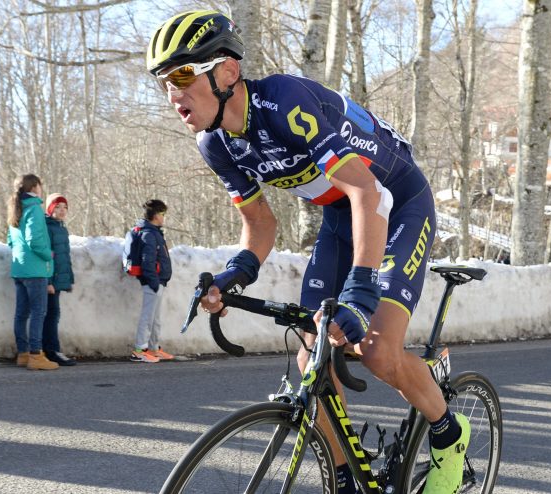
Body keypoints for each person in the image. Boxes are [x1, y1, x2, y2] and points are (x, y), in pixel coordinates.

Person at [146, 11, 467, 493]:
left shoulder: (284, 103)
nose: (174, 94)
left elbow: (369, 194)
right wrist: (234, 276)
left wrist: (360, 290)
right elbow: (259, 223)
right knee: (308, 356)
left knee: (378, 350)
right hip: (343, 216)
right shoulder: (215, 144)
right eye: (165, 82)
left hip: (396, 200)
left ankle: (449, 435)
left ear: (228, 71)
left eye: (184, 76)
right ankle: (345, 477)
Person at [7, 174, 58, 371]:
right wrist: (48, 255)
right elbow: (34, 239)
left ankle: (23, 353)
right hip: (35, 268)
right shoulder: (35, 208)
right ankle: (36, 355)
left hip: (19, 267)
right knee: (39, 312)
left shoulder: (15, 207)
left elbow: (11, 240)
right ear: (35, 187)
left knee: (21, 313)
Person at [131, 199, 174, 363]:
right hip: (152, 282)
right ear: (156, 215)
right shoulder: (149, 234)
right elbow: (147, 261)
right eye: (163, 214)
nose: (164, 217)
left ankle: (153, 348)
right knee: (147, 317)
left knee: (155, 318)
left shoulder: (154, 232)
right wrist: (154, 282)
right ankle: (138, 350)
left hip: (158, 281)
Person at [43, 193, 76, 366]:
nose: (62, 211)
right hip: (50, 280)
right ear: (49, 209)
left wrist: (68, 279)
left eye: (65, 207)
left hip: (58, 279)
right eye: (57, 207)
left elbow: (64, 256)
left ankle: (49, 349)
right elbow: (46, 256)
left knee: (53, 313)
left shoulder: (61, 227)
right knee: (51, 314)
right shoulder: (47, 228)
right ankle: (51, 350)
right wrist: (48, 281)